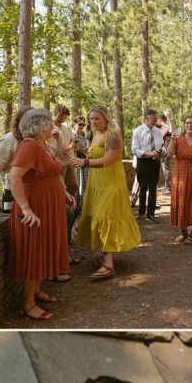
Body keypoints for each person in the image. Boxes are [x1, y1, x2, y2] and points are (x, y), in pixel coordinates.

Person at [5, 108, 75, 321]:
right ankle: (28, 304)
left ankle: (36, 291)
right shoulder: (29, 146)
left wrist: (63, 192)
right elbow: (14, 177)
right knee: (33, 252)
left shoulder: (41, 145)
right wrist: (26, 209)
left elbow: (48, 172)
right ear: (41, 126)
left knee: (43, 247)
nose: (52, 127)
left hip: (48, 203)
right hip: (35, 206)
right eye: (49, 124)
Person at [74, 105, 140, 281]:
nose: (93, 122)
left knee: (106, 219)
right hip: (97, 184)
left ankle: (109, 264)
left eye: (97, 118)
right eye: (91, 119)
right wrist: (76, 152)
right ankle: (106, 255)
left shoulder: (113, 135)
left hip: (111, 185)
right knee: (100, 219)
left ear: (106, 119)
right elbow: (94, 152)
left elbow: (109, 160)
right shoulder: (95, 134)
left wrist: (84, 162)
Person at [45, 104, 79, 256]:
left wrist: (69, 147)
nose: (64, 118)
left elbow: (73, 139)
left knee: (74, 185)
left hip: (69, 159)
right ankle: (65, 212)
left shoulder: (65, 127)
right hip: (58, 163)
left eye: (66, 116)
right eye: (63, 115)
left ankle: (69, 205)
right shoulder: (50, 128)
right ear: (57, 113)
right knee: (62, 188)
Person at [168, 113, 192, 244]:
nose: (189, 125)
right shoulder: (178, 139)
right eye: (187, 123)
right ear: (184, 125)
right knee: (181, 201)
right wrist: (172, 140)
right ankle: (183, 232)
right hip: (180, 175)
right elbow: (169, 154)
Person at [131, 109, 163, 221]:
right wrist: (148, 153)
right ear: (146, 118)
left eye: (156, 119)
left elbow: (161, 146)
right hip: (143, 162)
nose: (155, 121)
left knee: (153, 188)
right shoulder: (138, 131)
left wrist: (162, 151)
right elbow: (134, 150)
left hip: (155, 162)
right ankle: (141, 212)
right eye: (153, 119)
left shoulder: (158, 132)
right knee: (143, 187)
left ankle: (151, 213)